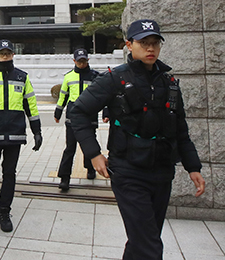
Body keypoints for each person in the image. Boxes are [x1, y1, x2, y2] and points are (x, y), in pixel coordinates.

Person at [69, 19, 205, 260]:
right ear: (129, 45)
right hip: (128, 171)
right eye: (144, 43)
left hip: (162, 172)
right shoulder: (115, 79)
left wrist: (193, 166)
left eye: (155, 43)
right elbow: (78, 112)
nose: (150, 48)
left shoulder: (169, 83)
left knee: (142, 239)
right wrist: (93, 153)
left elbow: (180, 129)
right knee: (150, 246)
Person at [0, 39, 42, 232]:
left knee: (9, 172)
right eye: (1, 53)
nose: (5, 56)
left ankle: (4, 211)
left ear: (13, 55)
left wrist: (36, 130)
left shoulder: (22, 77)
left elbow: (31, 105)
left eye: (8, 53)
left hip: (15, 133)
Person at [54, 48, 98, 190]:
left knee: (89, 146)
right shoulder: (68, 77)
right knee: (70, 148)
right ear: (74, 61)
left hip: (89, 114)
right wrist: (58, 112)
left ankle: (90, 168)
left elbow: (101, 95)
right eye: (79, 61)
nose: (82, 63)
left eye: (84, 61)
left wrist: (107, 112)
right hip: (73, 116)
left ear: (88, 60)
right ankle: (64, 177)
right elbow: (63, 96)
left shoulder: (95, 76)